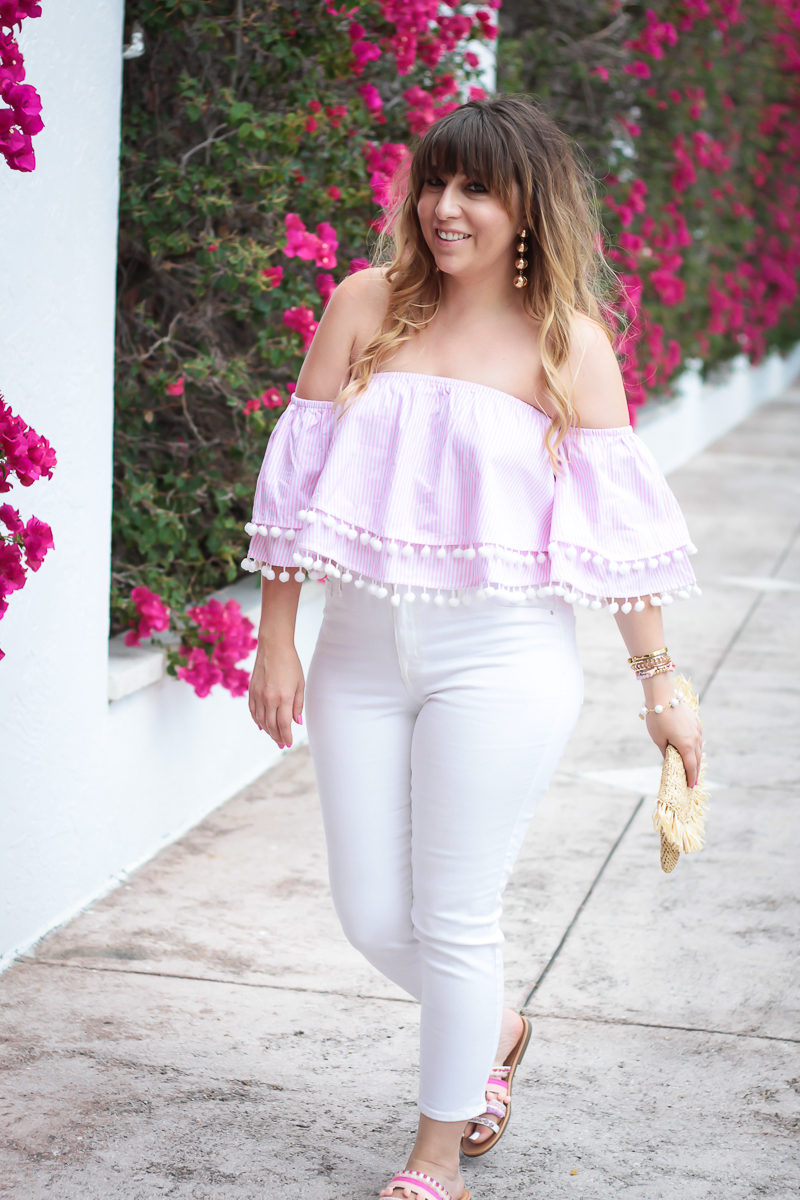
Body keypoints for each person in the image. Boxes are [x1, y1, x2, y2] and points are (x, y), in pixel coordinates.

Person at [244, 95, 703, 1200]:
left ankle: (433, 1154)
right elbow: (295, 482)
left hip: (500, 659)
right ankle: (492, 1027)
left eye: (474, 190)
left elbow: (618, 539)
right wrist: (278, 641)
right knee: (369, 915)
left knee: (454, 914)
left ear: (526, 208)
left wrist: (659, 681)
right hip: (360, 650)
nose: (444, 209)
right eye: (433, 183)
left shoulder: (568, 346)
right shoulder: (366, 305)